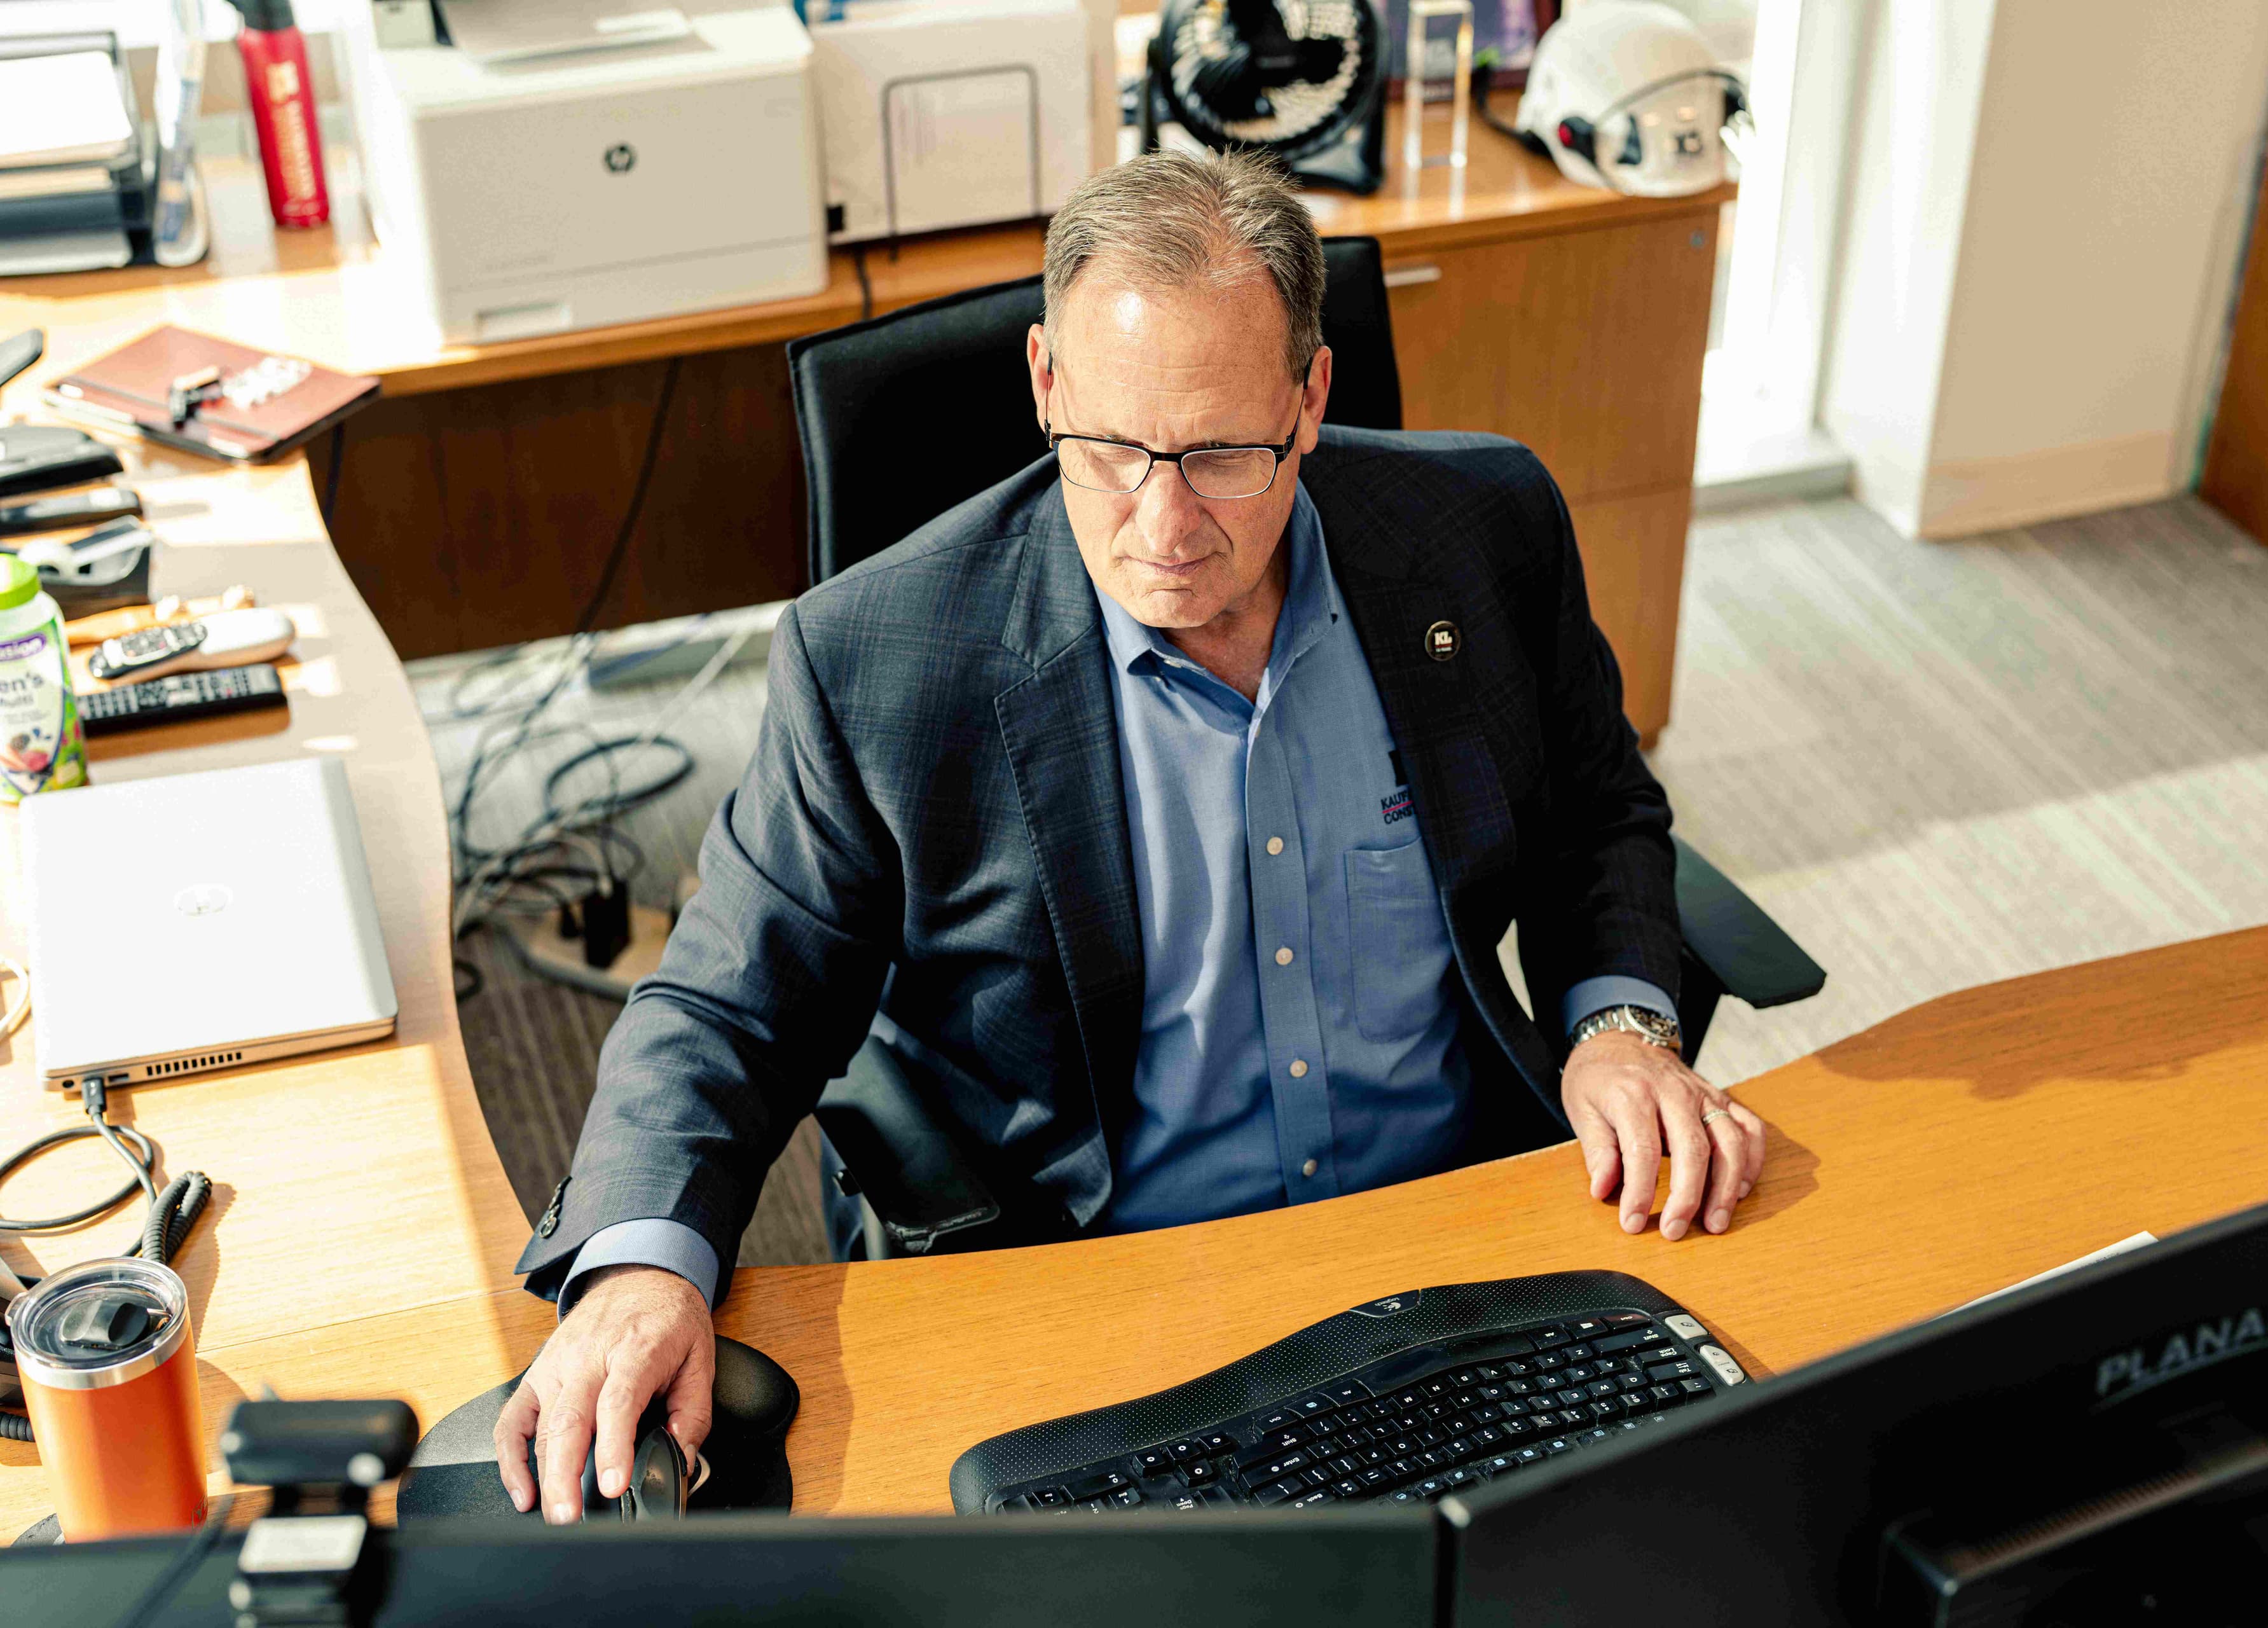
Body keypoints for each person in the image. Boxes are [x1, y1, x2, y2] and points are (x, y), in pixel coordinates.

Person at [494, 149, 1768, 1522]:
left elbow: (1598, 809)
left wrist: (1619, 1027)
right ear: (1046, 383)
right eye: (1111, 451)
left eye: (1223, 454)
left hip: (1462, 1240)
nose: (1163, 527)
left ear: (1310, 400)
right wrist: (638, 1266)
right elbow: (726, 1004)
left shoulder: (1485, 528)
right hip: (1114, 1304)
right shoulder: (879, 659)